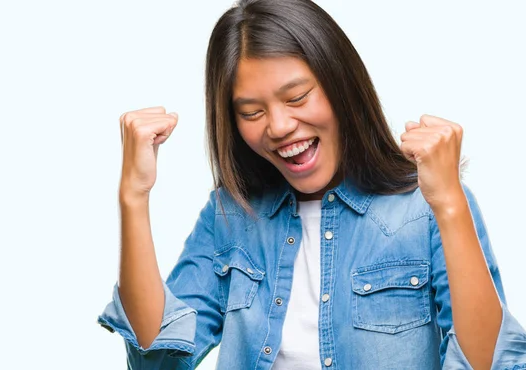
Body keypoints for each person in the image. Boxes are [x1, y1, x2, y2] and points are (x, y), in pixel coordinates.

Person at [98, 0, 526, 368]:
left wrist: (449, 204)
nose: (279, 126)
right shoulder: (230, 216)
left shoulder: (424, 210)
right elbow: (157, 359)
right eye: (251, 112)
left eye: (297, 97)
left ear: (341, 85)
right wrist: (133, 197)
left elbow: (489, 364)